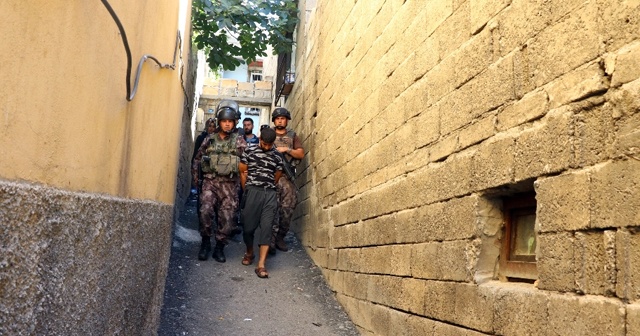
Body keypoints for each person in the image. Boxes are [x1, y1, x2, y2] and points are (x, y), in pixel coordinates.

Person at [192, 100, 247, 262]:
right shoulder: (209, 139)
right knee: (205, 211)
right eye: (224, 121)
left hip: (230, 185)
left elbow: (247, 162)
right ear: (219, 122)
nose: (227, 124)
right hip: (210, 182)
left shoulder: (239, 141)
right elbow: (197, 159)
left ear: (234, 122)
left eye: (230, 121)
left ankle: (220, 247)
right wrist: (196, 178)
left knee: (228, 218)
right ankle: (205, 242)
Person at [238, 127, 283, 278]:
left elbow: (277, 175)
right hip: (252, 192)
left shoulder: (277, 156)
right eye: (265, 144)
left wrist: (268, 186)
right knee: (248, 228)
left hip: (269, 194)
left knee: (267, 228)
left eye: (270, 145)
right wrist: (248, 190)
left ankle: (261, 265)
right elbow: (242, 171)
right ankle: (250, 252)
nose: (267, 147)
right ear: (260, 140)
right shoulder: (249, 151)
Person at [270, 107, 305, 254]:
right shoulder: (268, 134)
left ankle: (280, 237)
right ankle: (269, 240)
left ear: (286, 120)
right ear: (274, 120)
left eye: (283, 118)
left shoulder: (292, 136)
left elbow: (301, 154)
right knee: (271, 209)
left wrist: (287, 150)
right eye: (278, 118)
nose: (280, 120)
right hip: (271, 177)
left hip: (286, 176)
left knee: (287, 208)